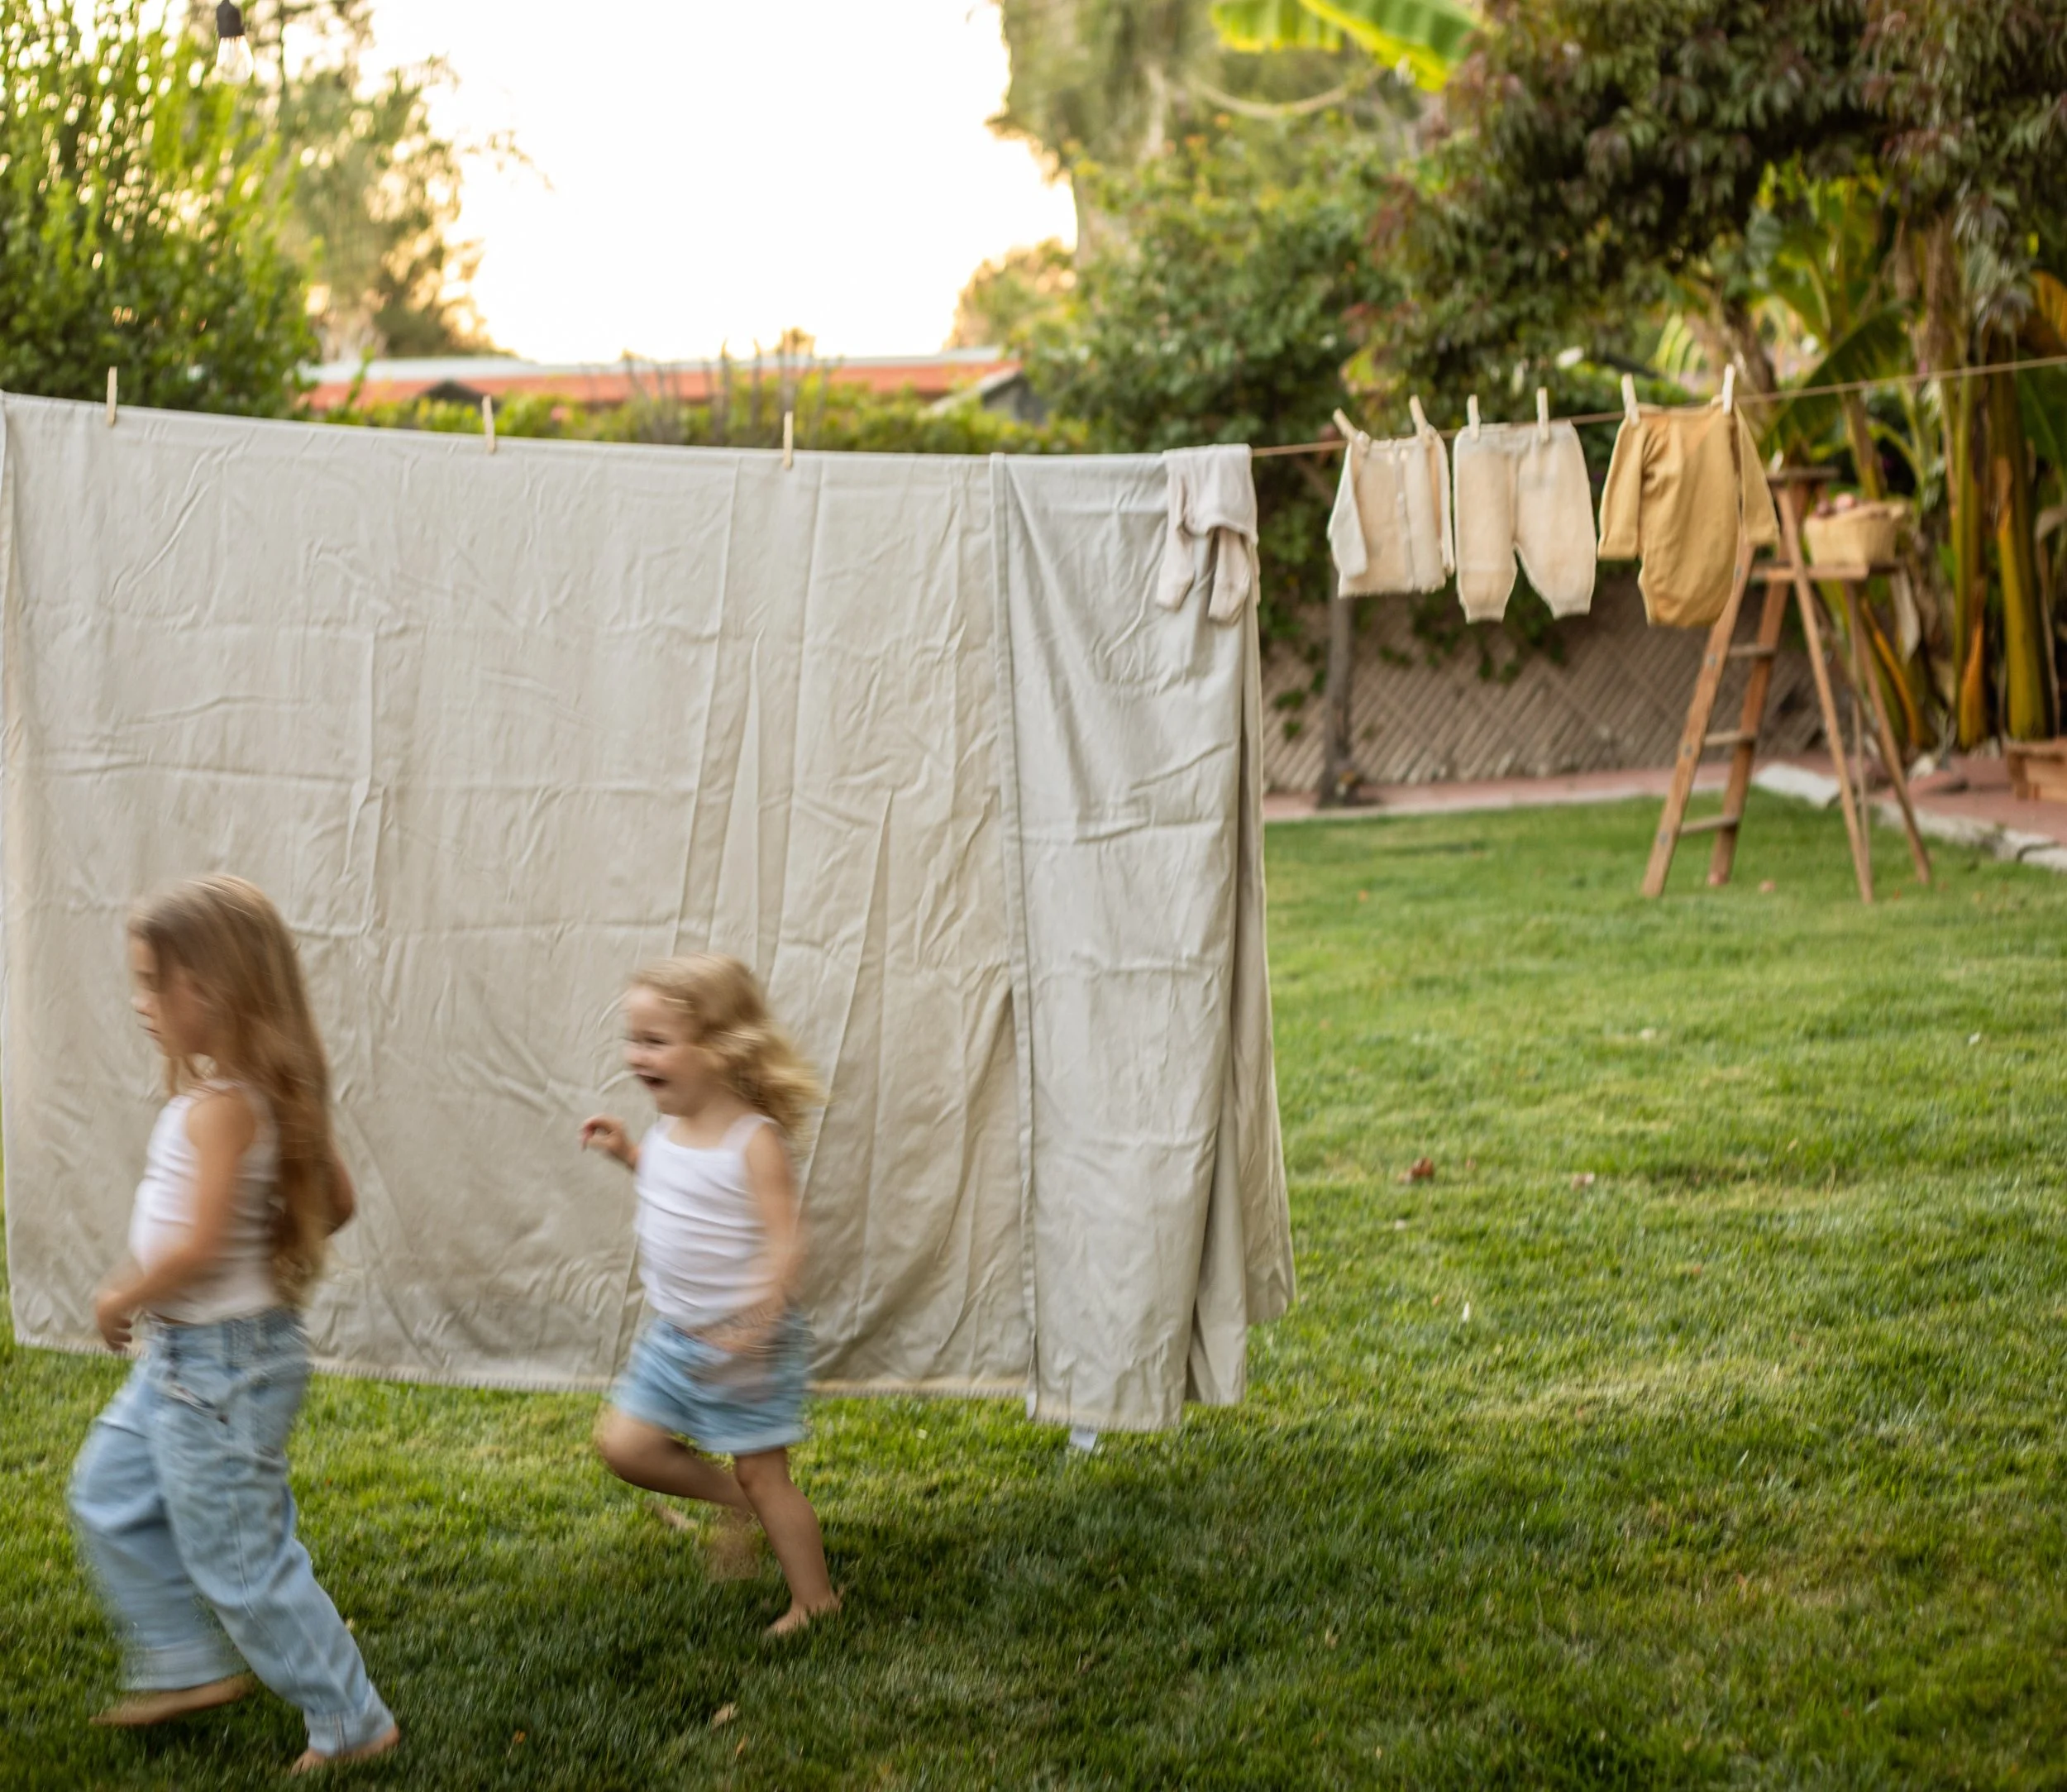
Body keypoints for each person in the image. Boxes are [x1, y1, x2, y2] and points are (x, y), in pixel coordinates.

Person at [69, 876, 399, 1773]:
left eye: (150, 984)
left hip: (218, 1370)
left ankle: (353, 1723)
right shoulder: (262, 1096)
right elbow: (334, 1202)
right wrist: (267, 1242)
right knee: (107, 1491)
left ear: (207, 990)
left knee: (243, 1563)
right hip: (190, 1364)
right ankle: (183, 1663)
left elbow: (203, 1241)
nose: (140, 1004)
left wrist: (122, 1292)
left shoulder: (224, 1110)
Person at [580, 953, 840, 1637]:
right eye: (634, 1039)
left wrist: (757, 1323)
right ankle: (736, 1502)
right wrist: (629, 1154)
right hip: (677, 1334)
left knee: (766, 1475)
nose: (638, 1055)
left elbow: (788, 1242)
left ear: (721, 1047)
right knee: (624, 1446)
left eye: (656, 1040)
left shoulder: (754, 1141)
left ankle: (815, 1599)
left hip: (749, 1337)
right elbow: (679, 1188)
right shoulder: (670, 1129)